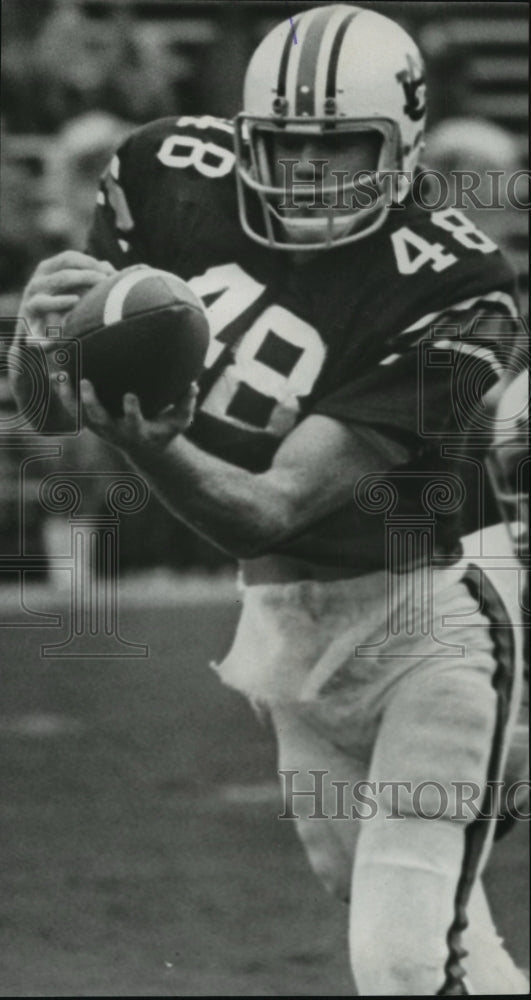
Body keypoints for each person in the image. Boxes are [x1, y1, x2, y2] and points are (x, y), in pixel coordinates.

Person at [8, 5, 528, 994]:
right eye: (284, 149)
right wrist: (36, 348)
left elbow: (269, 504)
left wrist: (140, 445)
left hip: (433, 611)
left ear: (405, 144)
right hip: (287, 617)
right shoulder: (164, 171)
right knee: (418, 917)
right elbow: (55, 410)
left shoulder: (463, 287)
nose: (307, 176)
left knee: (402, 957)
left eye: (339, 152)